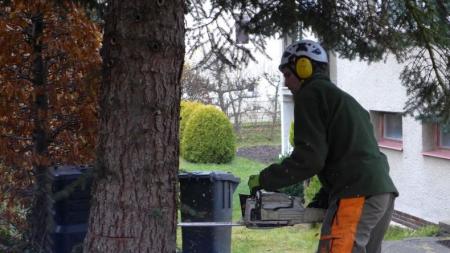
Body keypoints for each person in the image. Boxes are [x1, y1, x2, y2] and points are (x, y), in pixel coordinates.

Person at [247, 40, 399, 253]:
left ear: (304, 68)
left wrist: (265, 179)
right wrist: (323, 199)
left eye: (288, 75)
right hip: (382, 194)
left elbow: (309, 159)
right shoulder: (342, 99)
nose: (286, 83)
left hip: (356, 195)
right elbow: (349, 156)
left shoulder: (310, 93)